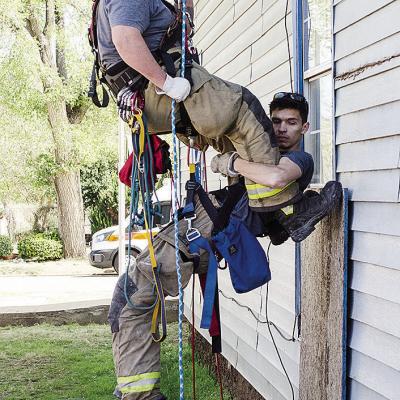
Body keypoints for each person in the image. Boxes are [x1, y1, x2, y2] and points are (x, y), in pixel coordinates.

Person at [107, 90, 342, 400]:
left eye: (291, 122)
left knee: (130, 298)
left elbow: (274, 177)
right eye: (276, 122)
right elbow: (207, 142)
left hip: (205, 234)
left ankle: (139, 395)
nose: (283, 129)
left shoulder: (297, 159)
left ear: (305, 127)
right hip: (198, 227)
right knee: (130, 298)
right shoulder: (260, 152)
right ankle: (136, 390)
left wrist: (231, 162)